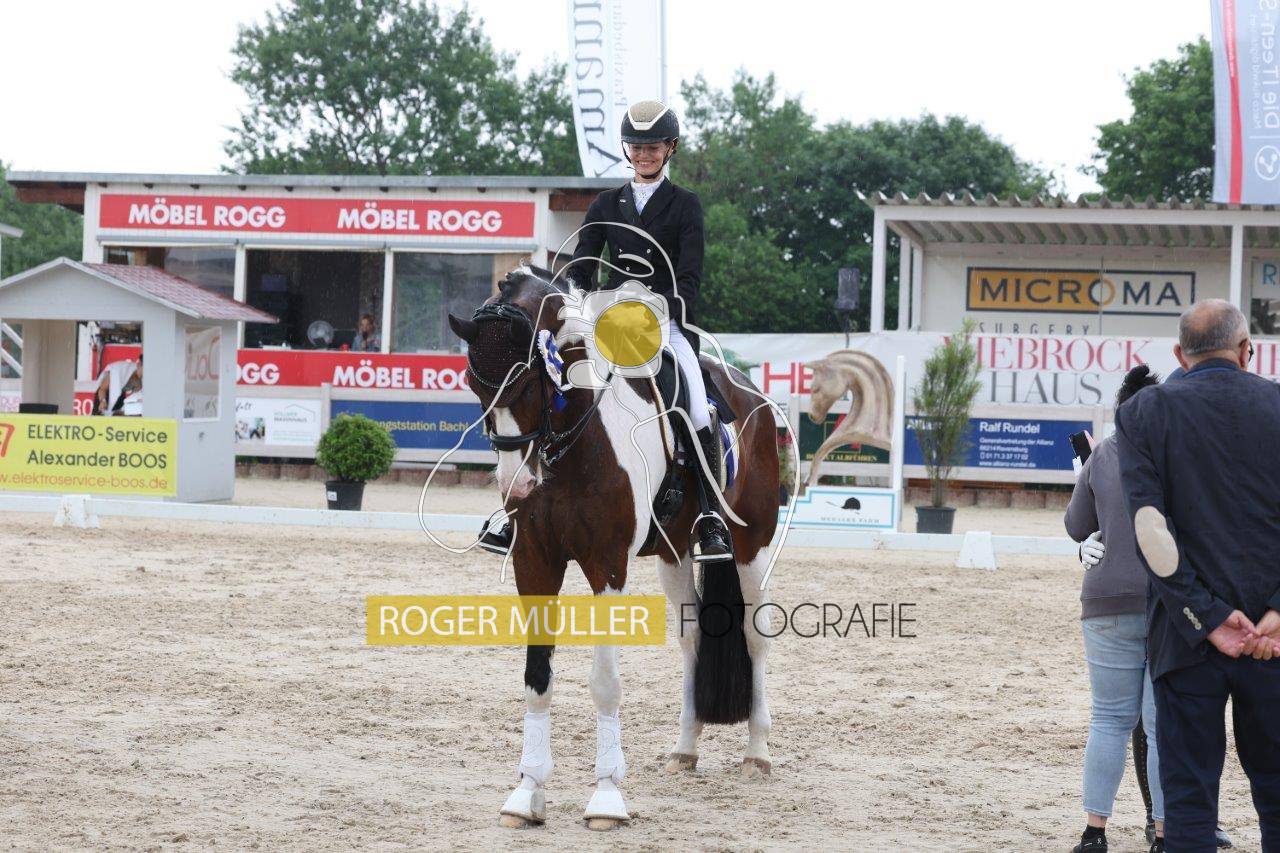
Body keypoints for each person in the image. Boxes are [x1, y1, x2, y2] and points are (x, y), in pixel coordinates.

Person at [478, 100, 731, 564]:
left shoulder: (685, 205)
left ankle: (710, 517)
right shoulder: (606, 204)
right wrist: (579, 300)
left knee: (697, 407)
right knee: (551, 387)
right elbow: (581, 266)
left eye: (653, 147)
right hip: (608, 322)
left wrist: (651, 308)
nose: (644, 154)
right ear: (627, 149)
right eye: (637, 146)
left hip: (665, 325)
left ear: (670, 148)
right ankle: (516, 510)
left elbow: (689, 280)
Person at [1117, 299, 1280, 850]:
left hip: (1185, 640)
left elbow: (1149, 528)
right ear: (1246, 349)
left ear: (1180, 355)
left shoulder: (1144, 412)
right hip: (1274, 640)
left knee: (1187, 804)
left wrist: (1205, 617)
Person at [1066, 364, 1165, 853]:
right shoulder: (1179, 455)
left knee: (1107, 720)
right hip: (1166, 603)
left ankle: (1094, 832)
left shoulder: (1103, 453)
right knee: (1162, 726)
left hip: (1105, 599)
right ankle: (1164, 833)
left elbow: (1076, 525)